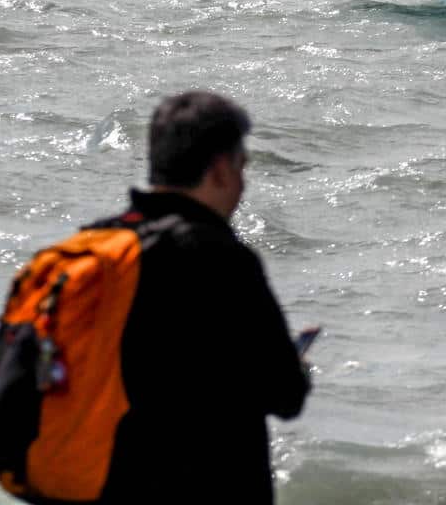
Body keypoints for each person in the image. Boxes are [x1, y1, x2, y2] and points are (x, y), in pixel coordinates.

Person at [95, 90, 311, 503]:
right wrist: (295, 366)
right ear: (219, 171)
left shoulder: (91, 250)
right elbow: (285, 395)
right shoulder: (220, 260)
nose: (243, 183)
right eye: (241, 166)